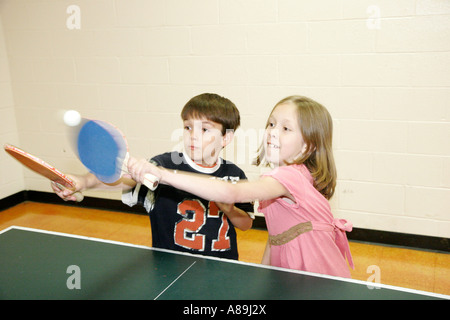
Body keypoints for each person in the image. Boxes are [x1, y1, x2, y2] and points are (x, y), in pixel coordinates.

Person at [127, 95, 354, 278]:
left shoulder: (288, 177)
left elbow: (231, 191)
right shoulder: (288, 177)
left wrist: (161, 174)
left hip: (315, 272)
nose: (273, 131)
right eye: (272, 124)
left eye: (286, 129)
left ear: (307, 147)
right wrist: (263, 274)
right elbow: (278, 237)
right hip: (291, 267)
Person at [52, 93, 254, 260]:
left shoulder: (235, 175)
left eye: (205, 129)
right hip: (169, 270)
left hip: (221, 270)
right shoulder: (162, 165)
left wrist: (229, 209)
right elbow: (124, 179)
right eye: (188, 127)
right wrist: (83, 181)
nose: (193, 135)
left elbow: (246, 224)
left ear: (226, 137)